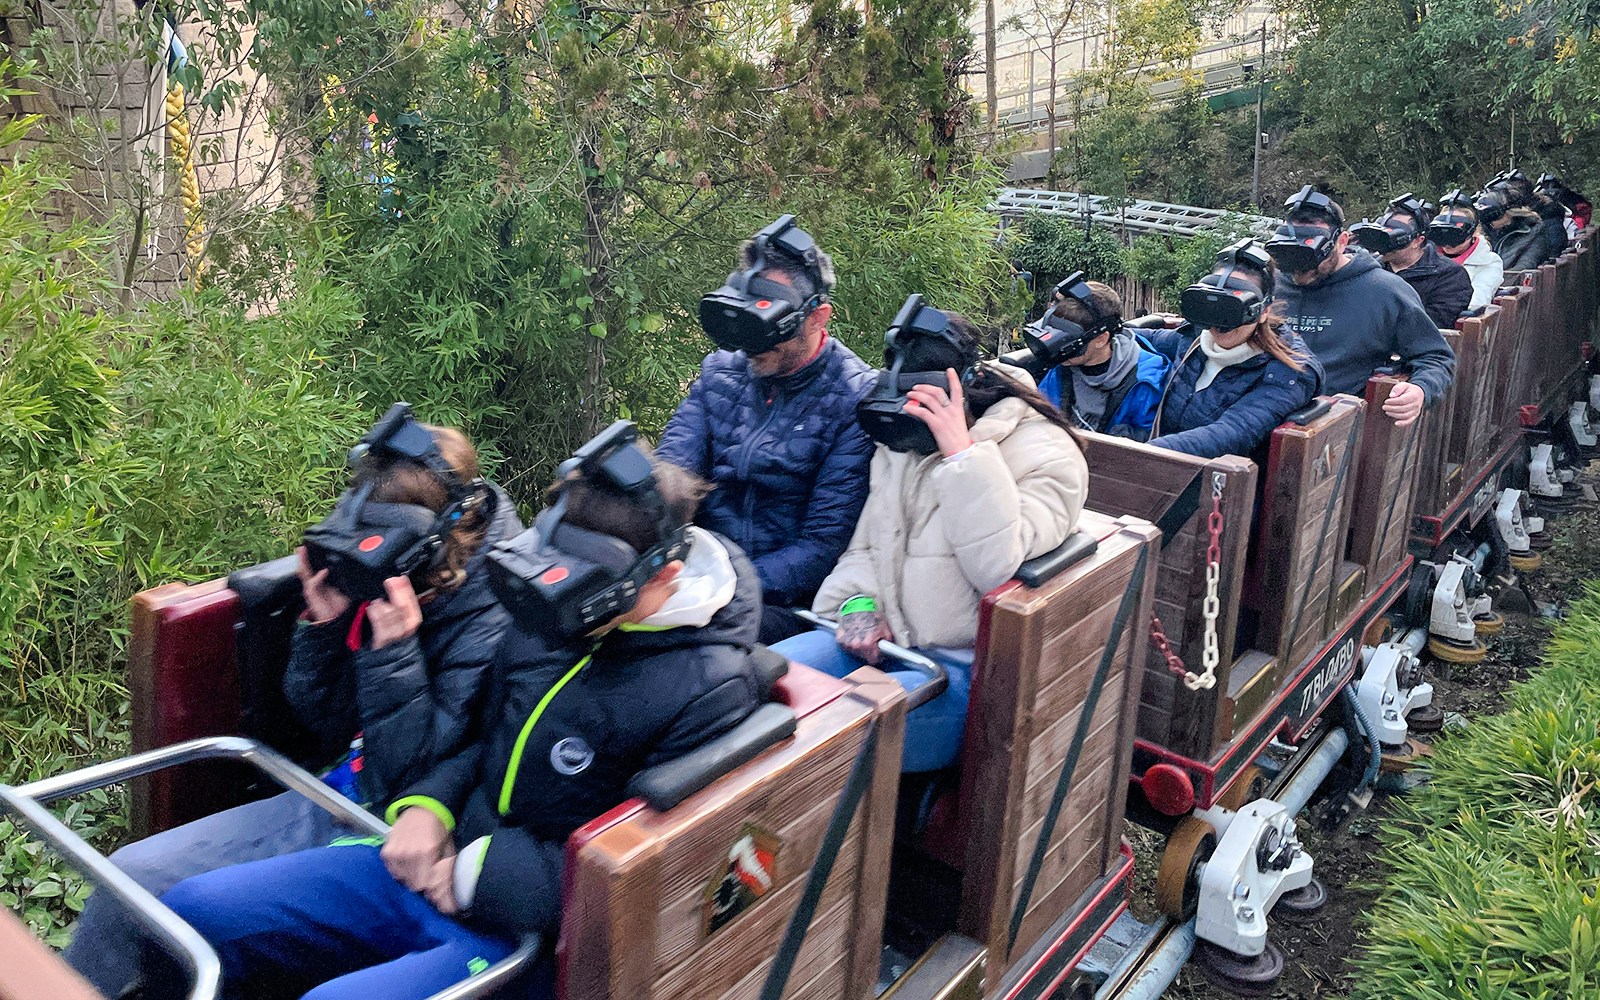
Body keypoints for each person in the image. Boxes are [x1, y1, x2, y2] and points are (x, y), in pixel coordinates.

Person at [160, 428, 768, 1000]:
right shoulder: (554, 613)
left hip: (526, 930)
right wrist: (427, 805)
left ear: (662, 577)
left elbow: (653, 866)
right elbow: (480, 733)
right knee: (198, 910)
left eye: (586, 586)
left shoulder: (712, 689)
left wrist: (479, 872)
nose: (560, 596)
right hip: (436, 852)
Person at [66, 410, 521, 999]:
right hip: (338, 792)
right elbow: (324, 721)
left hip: (403, 821)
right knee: (129, 877)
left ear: (435, 549)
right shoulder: (385, 570)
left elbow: (410, 775)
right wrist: (326, 628)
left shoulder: (499, 617)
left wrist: (395, 653)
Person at [773, 300, 1087, 773]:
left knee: (818, 744)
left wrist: (962, 455)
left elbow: (996, 568)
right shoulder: (902, 441)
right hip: (890, 647)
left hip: (964, 676)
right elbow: (868, 546)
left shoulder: (1046, 455)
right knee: (757, 688)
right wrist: (857, 608)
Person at [658, 216, 875, 644]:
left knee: (672, 648)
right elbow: (671, 477)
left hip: (782, 601)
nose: (749, 347)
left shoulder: (853, 398)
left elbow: (820, 546)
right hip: (697, 573)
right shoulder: (721, 372)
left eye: (767, 329)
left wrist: (722, 587)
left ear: (817, 317)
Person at [1267, 185, 1456, 428]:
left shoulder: (1385, 291)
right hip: (1261, 409)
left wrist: (1420, 389)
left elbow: (1435, 356)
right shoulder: (1269, 284)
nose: (1300, 273)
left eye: (1313, 258)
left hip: (1337, 425)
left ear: (1341, 242)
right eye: (1292, 258)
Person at [1144, 240, 1324, 460]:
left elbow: (1234, 432)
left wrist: (1143, 453)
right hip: (1162, 469)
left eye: (1233, 308)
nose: (1220, 324)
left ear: (1263, 311)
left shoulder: (1289, 371)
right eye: (1215, 306)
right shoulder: (1194, 339)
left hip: (1226, 483)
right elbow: (1147, 339)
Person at [1029, 273, 1168, 436]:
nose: (1058, 347)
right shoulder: (1065, 363)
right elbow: (1040, 413)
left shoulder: (1145, 381)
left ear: (1101, 339)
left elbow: (1145, 442)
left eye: (1066, 339)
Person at [1352, 193, 1474, 328]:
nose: (1384, 246)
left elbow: (1430, 326)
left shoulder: (1450, 275)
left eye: (1395, 238)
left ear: (1418, 240)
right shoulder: (1368, 268)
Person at [1427, 189, 1505, 310]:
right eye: (1442, 233)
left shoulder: (1489, 262)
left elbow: (1477, 302)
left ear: (1473, 232)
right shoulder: (1425, 258)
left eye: (1456, 234)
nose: (1448, 242)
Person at [1476, 185, 1550, 272]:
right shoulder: (1483, 233)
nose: (1488, 222)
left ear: (1508, 214)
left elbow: (1525, 265)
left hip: (1508, 282)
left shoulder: (1536, 233)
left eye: (1491, 216)